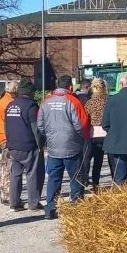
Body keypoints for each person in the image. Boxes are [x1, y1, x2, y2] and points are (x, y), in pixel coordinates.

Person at [38, 76, 91, 219]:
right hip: (72, 146)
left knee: (54, 179)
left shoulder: (46, 102)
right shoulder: (73, 101)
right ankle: (76, 207)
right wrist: (81, 138)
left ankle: (50, 209)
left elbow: (40, 125)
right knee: (75, 177)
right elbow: (80, 124)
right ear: (70, 87)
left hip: (53, 147)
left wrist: (49, 136)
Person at [5, 80, 44, 212]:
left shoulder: (10, 105)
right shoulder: (31, 105)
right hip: (28, 145)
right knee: (32, 174)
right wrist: (40, 144)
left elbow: (7, 125)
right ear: (30, 92)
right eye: (33, 91)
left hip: (13, 145)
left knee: (15, 174)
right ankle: (33, 203)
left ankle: (14, 203)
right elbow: (35, 127)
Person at [0, 80, 18, 205]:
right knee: (9, 168)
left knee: (5, 168)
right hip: (8, 138)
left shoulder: (2, 101)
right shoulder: (9, 103)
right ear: (15, 91)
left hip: (2, 137)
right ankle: (8, 196)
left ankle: (4, 195)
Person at [83, 79, 109, 189]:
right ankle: (116, 182)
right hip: (106, 133)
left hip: (93, 134)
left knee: (94, 161)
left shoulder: (89, 103)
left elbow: (85, 118)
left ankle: (94, 184)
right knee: (107, 161)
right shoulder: (108, 101)